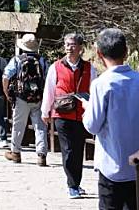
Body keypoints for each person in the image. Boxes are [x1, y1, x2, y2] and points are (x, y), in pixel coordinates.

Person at [83, 28, 139, 210]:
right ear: (126, 51)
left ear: (99, 54)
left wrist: (87, 110)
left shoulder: (101, 84)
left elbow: (92, 126)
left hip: (112, 164)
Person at [41, 33, 98, 199]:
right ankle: (72, 185)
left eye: (73, 44)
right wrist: (46, 112)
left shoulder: (89, 68)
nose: (69, 47)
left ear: (80, 48)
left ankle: (76, 184)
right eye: (66, 44)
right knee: (68, 149)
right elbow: (49, 90)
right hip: (62, 113)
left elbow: (94, 91)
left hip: (82, 114)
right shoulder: (55, 67)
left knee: (78, 149)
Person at [3, 33, 49, 166]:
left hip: (21, 97)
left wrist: (7, 93)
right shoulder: (42, 61)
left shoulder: (17, 60)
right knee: (40, 126)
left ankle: (15, 153)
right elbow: (49, 78)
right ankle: (41, 155)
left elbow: (6, 76)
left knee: (18, 125)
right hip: (39, 97)